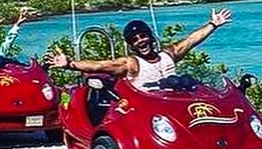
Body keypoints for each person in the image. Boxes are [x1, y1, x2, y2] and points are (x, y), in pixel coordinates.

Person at [47, 9, 233, 90]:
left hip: (176, 102)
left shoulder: (168, 55)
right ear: (131, 45)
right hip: (146, 107)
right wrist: (70, 64)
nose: (140, 41)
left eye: (143, 36)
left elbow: (191, 40)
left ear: (150, 38)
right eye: (135, 40)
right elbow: (98, 66)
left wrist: (213, 25)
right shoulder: (131, 64)